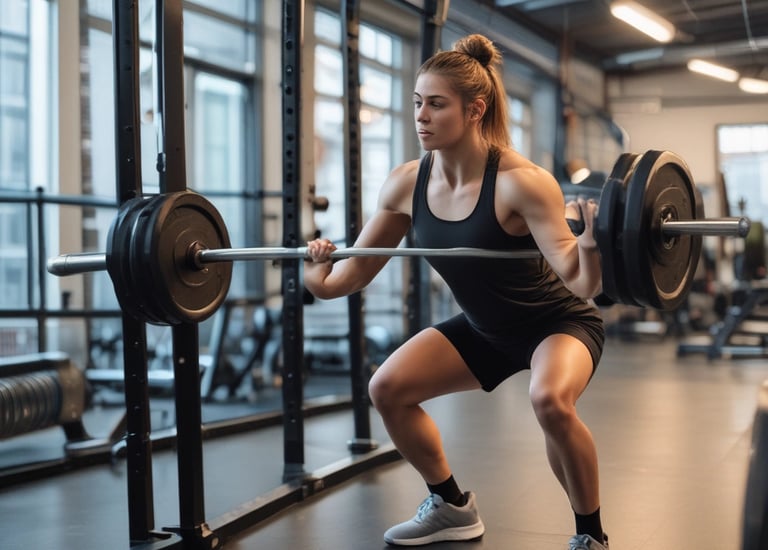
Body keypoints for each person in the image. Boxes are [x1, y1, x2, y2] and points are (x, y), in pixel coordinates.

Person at [303, 34, 608, 550]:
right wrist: (315, 267)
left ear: (475, 109)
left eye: (436, 104)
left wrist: (594, 241)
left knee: (550, 400)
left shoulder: (523, 183)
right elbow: (345, 280)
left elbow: (584, 283)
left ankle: (591, 537)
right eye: (417, 103)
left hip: (555, 324)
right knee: (387, 389)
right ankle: (450, 506)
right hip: (484, 328)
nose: (421, 116)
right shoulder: (405, 184)